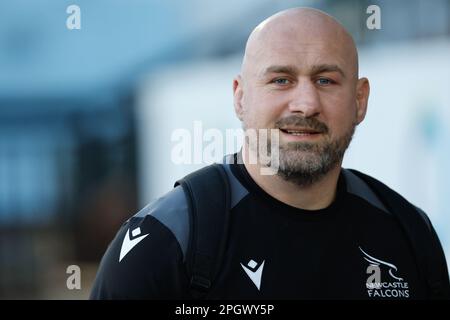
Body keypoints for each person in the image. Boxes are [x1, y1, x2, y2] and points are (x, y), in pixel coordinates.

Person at [90, 7, 450, 299]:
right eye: (281, 80)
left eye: (326, 80)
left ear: (360, 101)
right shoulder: (165, 242)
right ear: (240, 97)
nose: (306, 104)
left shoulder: (408, 232)